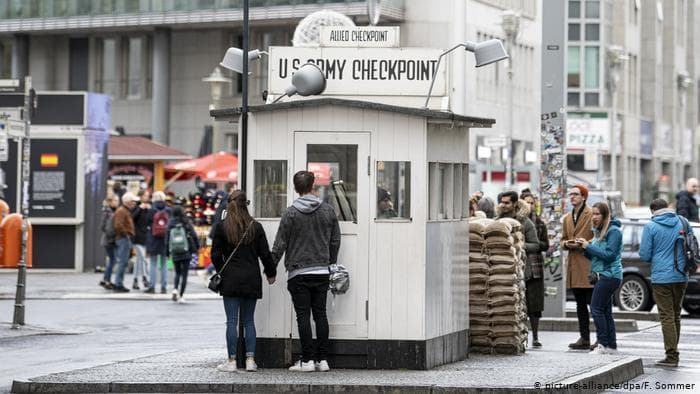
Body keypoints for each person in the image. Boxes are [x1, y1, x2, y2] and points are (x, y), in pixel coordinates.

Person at [271, 171, 341, 373]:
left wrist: (271, 267)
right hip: (321, 270)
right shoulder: (328, 210)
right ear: (313, 186)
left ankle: (307, 360)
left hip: (298, 272)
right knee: (320, 314)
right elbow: (335, 240)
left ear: (295, 188)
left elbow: (280, 244)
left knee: (303, 315)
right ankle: (323, 360)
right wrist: (331, 262)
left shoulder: (290, 213)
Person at [211, 190, 276, 373]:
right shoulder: (255, 227)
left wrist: (222, 270)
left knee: (231, 321)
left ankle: (231, 361)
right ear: (245, 204)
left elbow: (215, 255)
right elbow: (265, 254)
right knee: (249, 321)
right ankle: (250, 360)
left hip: (230, 279)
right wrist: (271, 273)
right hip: (251, 278)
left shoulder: (222, 227)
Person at [639, 198, 691, 367]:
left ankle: (671, 355)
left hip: (661, 278)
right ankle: (673, 352)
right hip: (681, 275)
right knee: (676, 315)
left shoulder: (651, 226)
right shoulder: (682, 221)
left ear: (653, 209)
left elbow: (645, 255)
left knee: (667, 316)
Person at [577, 202, 622, 355]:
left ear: (605, 215)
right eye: (593, 214)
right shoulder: (598, 231)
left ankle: (602, 344)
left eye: (597, 214)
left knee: (596, 308)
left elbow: (610, 255)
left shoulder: (614, 231)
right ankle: (611, 346)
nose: (594, 217)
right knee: (605, 312)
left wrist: (588, 247)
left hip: (610, 275)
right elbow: (597, 256)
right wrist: (582, 248)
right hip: (604, 275)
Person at [561, 184, 595, 350]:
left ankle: (601, 337)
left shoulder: (591, 214)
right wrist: (566, 243)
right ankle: (584, 337)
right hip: (574, 266)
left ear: (583, 197)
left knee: (593, 304)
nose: (572, 197)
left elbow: (598, 237)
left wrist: (584, 244)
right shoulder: (567, 217)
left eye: (575, 194)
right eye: (570, 194)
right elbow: (563, 239)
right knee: (579, 304)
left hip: (588, 264)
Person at [520, 189, 549, 347]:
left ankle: (535, 336)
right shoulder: (516, 222)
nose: (530, 205)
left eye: (532, 203)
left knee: (535, 305)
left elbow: (545, 245)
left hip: (535, 267)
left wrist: (533, 244)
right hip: (521, 266)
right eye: (527, 202)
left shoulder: (540, 223)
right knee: (520, 303)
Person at [165, 205, 200, 303]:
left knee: (177, 272)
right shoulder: (186, 222)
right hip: (186, 251)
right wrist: (197, 247)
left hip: (175, 252)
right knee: (184, 274)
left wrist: (167, 252)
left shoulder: (170, 223)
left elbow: (167, 240)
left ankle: (175, 289)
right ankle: (181, 295)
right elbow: (194, 235)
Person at [145, 191, 171, 294]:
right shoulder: (169, 210)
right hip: (165, 239)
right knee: (164, 264)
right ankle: (164, 287)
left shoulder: (151, 210)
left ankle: (152, 286)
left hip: (153, 239)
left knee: (153, 263)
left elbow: (146, 224)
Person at [113, 192, 137, 292]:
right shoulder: (122, 211)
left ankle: (119, 283)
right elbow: (118, 225)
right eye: (132, 201)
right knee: (122, 262)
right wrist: (126, 234)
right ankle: (118, 284)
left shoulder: (124, 210)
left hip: (124, 238)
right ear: (127, 202)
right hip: (123, 239)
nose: (134, 203)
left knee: (123, 262)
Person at [130, 189, 151, 290]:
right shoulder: (136, 206)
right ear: (141, 196)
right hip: (137, 237)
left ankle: (135, 280)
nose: (147, 197)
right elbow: (131, 218)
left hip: (145, 237)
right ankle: (145, 278)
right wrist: (139, 208)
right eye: (146, 195)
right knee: (143, 258)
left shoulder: (147, 207)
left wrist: (149, 210)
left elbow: (148, 222)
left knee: (139, 260)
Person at [99, 195, 120, 290]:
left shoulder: (115, 211)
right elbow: (103, 226)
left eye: (118, 200)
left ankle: (105, 279)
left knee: (113, 260)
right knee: (113, 260)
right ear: (110, 202)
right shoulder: (107, 212)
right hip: (109, 240)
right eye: (115, 200)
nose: (117, 202)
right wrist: (111, 234)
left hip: (113, 240)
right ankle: (106, 280)